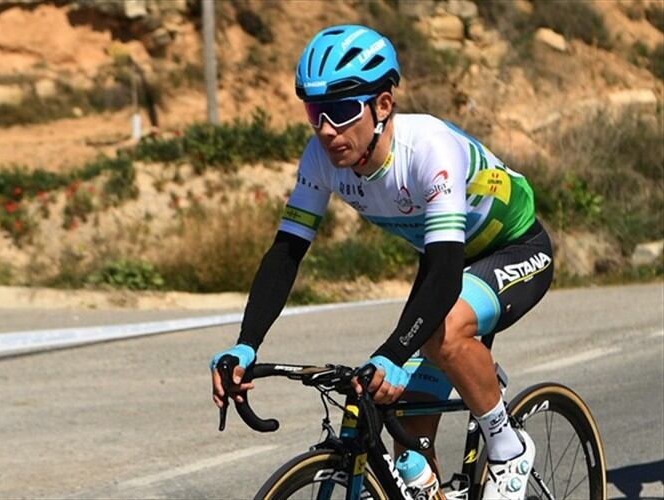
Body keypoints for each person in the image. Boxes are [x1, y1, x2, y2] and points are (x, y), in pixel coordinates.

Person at [209, 25, 555, 500]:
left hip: (511, 250)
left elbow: (446, 270)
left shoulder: (430, 149)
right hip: (440, 265)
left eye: (342, 111)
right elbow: (287, 252)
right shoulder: (321, 157)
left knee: (444, 333)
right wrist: (245, 344)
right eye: (315, 112)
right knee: (409, 450)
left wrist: (394, 353)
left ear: (383, 106)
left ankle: (507, 446)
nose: (326, 129)